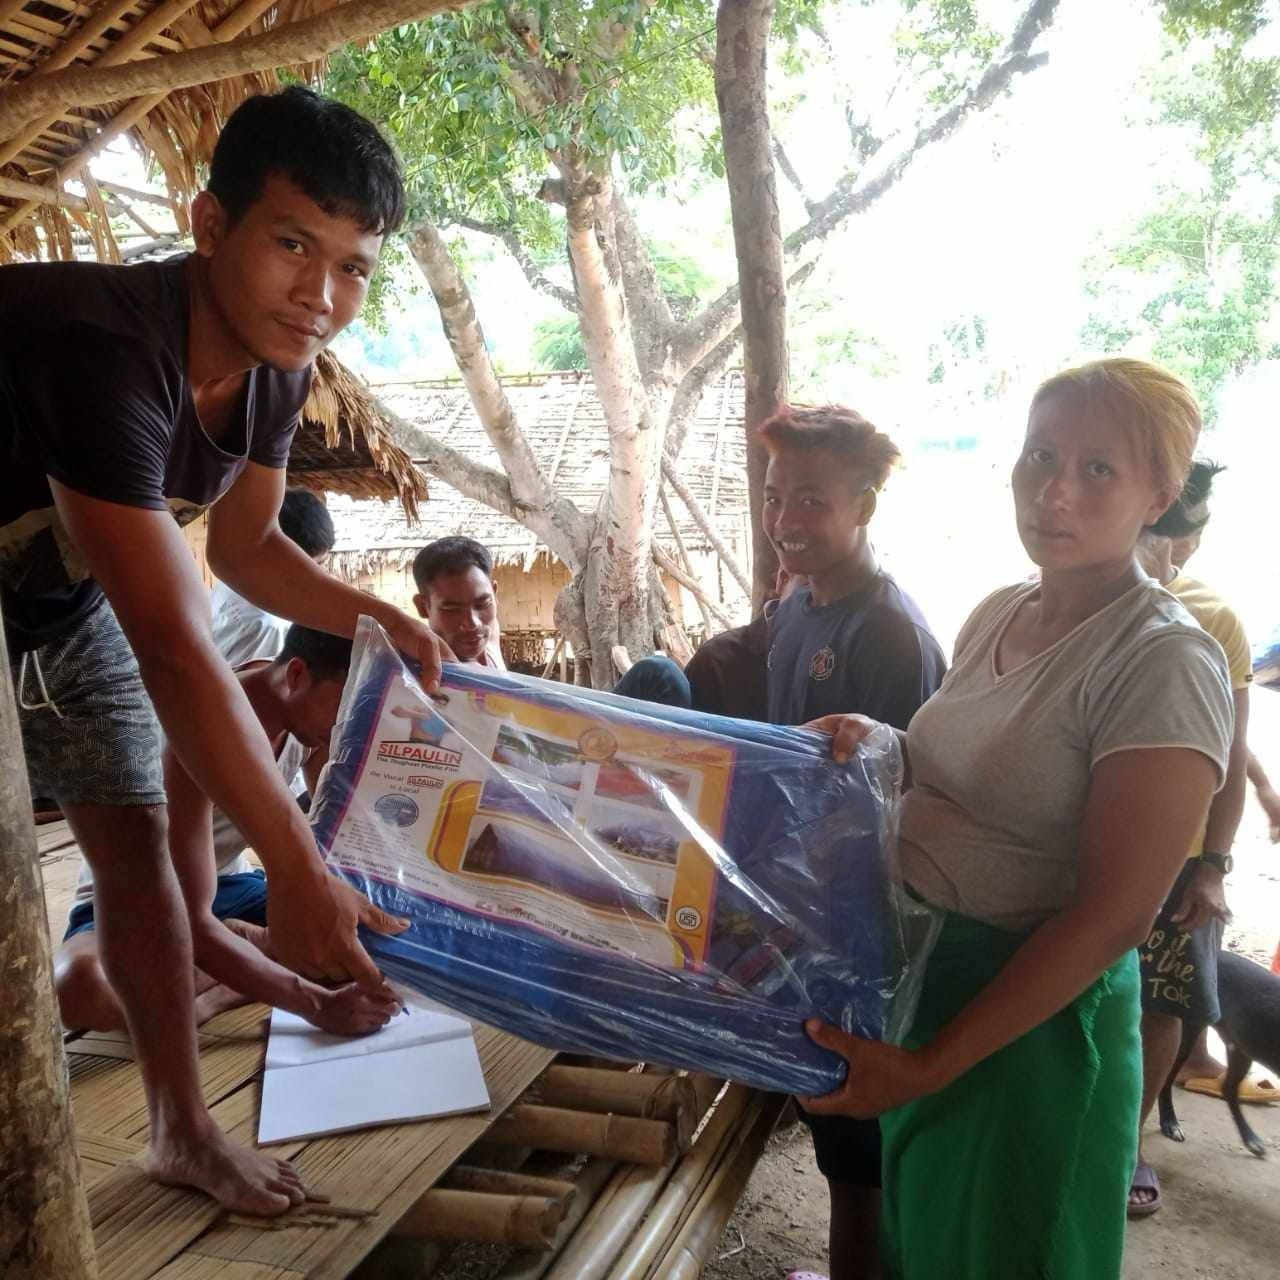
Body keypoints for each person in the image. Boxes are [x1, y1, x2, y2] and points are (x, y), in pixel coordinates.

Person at [1, 87, 446, 1214]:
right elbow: (172, 644)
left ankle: (180, 1129)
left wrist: (374, 615)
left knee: (138, 853)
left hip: (54, 589)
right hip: (57, 581)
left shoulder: (278, 369)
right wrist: (296, 868)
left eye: (352, 267)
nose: (321, 295)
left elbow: (247, 549)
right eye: (293, 245)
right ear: (209, 225)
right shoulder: (107, 349)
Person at [801, 359, 1232, 1280]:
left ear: (1160, 496)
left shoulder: (1161, 659)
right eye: (1040, 456)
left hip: (1033, 1031)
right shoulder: (1001, 612)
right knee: (925, 1249)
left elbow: (1113, 917)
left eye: (1098, 468)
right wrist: (885, 742)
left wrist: (929, 1065)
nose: (1054, 491)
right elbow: (970, 771)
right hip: (930, 988)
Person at [759, 405, 945, 1280]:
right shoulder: (797, 609)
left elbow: (904, 807)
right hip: (799, 907)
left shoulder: (892, 634)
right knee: (838, 1147)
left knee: (862, 1151)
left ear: (864, 505)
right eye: (776, 497)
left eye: (812, 500)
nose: (786, 519)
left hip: (861, 925)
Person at [54, 626, 397, 1036]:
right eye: (346, 707)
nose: (351, 726)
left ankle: (236, 962)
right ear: (296, 675)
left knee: (374, 930)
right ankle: (234, 972)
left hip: (232, 887)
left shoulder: (313, 722)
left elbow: (328, 852)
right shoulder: (202, 721)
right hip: (137, 900)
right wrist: (317, 1004)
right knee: (80, 988)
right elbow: (192, 920)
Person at [1126, 463, 1254, 1213]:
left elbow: (1230, 756)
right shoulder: (1073, 596)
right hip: (1088, 845)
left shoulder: (1215, 620)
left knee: (1159, 1005)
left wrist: (1213, 866)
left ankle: (1126, 1146)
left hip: (1179, 856)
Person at [212, 487, 335, 665]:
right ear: (282, 560)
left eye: (322, 563)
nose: (318, 575)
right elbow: (249, 682)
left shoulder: (234, 580)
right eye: (313, 566)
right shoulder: (267, 625)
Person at [685, 570, 804, 722]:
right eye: (811, 587)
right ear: (783, 579)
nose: (826, 608)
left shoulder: (832, 667)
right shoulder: (715, 662)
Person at [412, 536, 506, 669]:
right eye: (452, 610)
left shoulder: (491, 637)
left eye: (482, 604)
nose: (473, 624)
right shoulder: (429, 673)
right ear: (422, 607)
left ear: (494, 594)